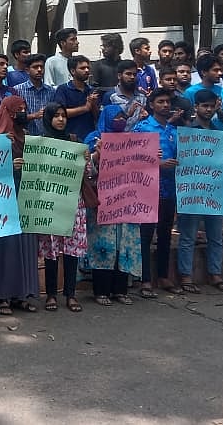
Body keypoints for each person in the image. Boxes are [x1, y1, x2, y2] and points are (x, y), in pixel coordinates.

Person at [0, 95, 39, 314]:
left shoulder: (27, 136)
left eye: (25, 108)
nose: (23, 113)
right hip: (4, 201)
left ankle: (22, 295)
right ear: (8, 112)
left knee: (26, 246)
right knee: (7, 249)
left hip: (26, 197)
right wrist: (8, 166)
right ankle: (3, 297)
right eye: (18, 109)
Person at [175, 89, 223, 294]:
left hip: (213, 191)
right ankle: (186, 276)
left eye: (211, 106)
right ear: (196, 107)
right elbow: (180, 162)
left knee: (216, 237)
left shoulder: (220, 131)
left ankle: (215, 274)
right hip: (191, 192)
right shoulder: (186, 132)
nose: (208, 110)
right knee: (188, 237)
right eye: (204, 106)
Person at [84, 105, 141, 305]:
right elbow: (86, 172)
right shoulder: (94, 139)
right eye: (115, 117)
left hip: (126, 203)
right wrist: (96, 156)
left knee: (123, 247)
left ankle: (120, 290)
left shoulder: (132, 140)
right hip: (103, 204)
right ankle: (101, 291)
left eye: (122, 117)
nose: (120, 120)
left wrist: (153, 158)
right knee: (103, 247)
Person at [39, 103, 87, 312]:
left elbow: (87, 173)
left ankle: (70, 294)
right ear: (48, 119)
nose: (60, 119)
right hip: (49, 202)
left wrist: (88, 160)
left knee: (71, 250)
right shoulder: (40, 143)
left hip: (72, 202)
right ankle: (51, 294)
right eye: (56, 116)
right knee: (51, 250)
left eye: (63, 115)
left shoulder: (74, 141)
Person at [132, 87, 179, 296]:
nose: (165, 105)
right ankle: (145, 280)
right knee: (145, 235)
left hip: (169, 190)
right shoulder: (141, 128)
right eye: (160, 101)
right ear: (151, 105)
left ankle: (163, 276)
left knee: (165, 233)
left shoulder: (174, 131)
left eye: (167, 101)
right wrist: (157, 164)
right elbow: (132, 158)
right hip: (147, 190)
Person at [53, 55, 99, 142]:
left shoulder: (92, 90)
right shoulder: (63, 89)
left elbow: (97, 117)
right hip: (69, 138)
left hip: (89, 137)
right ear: (73, 71)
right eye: (82, 68)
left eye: (88, 68)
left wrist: (93, 105)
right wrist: (85, 108)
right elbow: (60, 113)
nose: (86, 70)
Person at [12, 53, 55, 136]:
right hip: (26, 137)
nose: (39, 70)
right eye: (35, 67)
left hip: (47, 137)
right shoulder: (17, 90)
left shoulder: (51, 91)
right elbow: (14, 116)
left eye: (41, 67)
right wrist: (35, 115)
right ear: (27, 70)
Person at [104, 60, 148, 125]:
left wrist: (146, 117)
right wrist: (126, 116)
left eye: (134, 74)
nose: (132, 77)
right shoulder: (110, 96)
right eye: (128, 74)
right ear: (119, 76)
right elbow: (105, 121)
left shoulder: (142, 97)